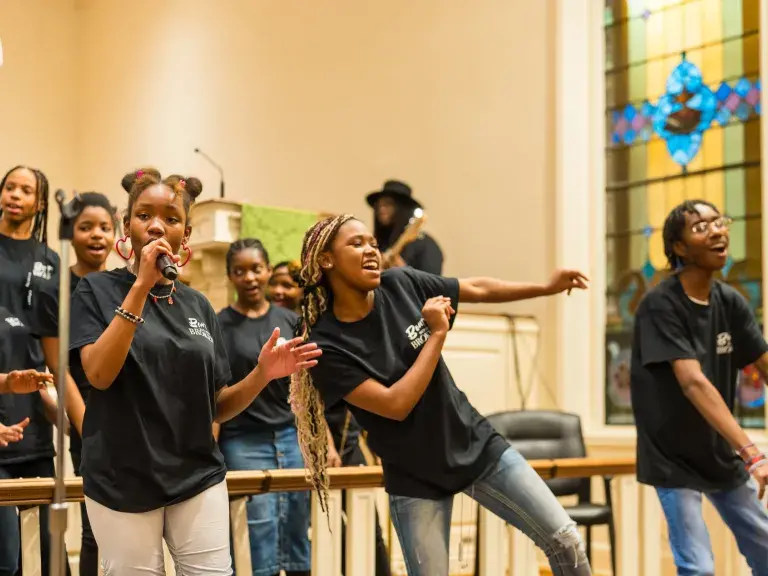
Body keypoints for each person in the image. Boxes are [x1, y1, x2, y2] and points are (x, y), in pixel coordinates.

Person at [289, 214, 591, 576]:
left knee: (566, 541)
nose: (371, 250)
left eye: (372, 242)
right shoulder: (326, 345)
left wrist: (545, 288)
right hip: (415, 476)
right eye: (356, 244)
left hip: (476, 446)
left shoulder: (401, 283)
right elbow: (396, 405)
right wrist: (436, 335)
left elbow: (476, 287)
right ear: (326, 260)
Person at [68, 168, 321, 575]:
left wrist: (262, 374)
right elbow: (98, 374)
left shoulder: (199, 306)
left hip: (197, 475)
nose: (156, 225)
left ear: (184, 235)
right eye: (144, 214)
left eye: (171, 218)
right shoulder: (95, 291)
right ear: (126, 225)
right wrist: (140, 288)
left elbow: (216, 406)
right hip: (122, 478)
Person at [630, 199, 768, 575]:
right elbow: (693, 382)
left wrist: (740, 450)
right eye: (701, 227)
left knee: (766, 548)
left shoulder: (731, 302)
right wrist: (752, 452)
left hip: (718, 452)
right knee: (699, 567)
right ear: (678, 247)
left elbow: (764, 363)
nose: (717, 231)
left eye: (718, 222)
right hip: (673, 458)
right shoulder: (660, 305)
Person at [34, 192, 119, 576]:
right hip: (87, 415)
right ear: (71, 232)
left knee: (129, 527)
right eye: (86, 227)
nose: (97, 235)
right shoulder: (55, 292)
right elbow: (58, 367)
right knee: (94, 529)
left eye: (104, 227)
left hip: (130, 413)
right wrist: (90, 432)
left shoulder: (126, 285)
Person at [217, 239, 312, 576]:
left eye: (256, 269)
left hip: (290, 436)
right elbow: (215, 390)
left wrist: (320, 439)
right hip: (242, 439)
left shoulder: (290, 319)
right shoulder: (219, 324)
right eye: (240, 271)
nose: (250, 277)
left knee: (297, 520)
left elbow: (306, 386)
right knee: (259, 527)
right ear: (230, 276)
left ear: (268, 271)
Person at [0, 165, 74, 576]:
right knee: (6, 554)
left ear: (39, 203)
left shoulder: (49, 260)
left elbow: (53, 348)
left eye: (25, 190)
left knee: (48, 549)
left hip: (33, 407)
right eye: (9, 187)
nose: (14, 195)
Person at [367, 180, 443, 274]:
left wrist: (405, 272)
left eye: (388, 204)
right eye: (379, 205)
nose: (381, 209)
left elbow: (432, 285)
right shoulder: (375, 245)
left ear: (403, 209)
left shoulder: (425, 245)